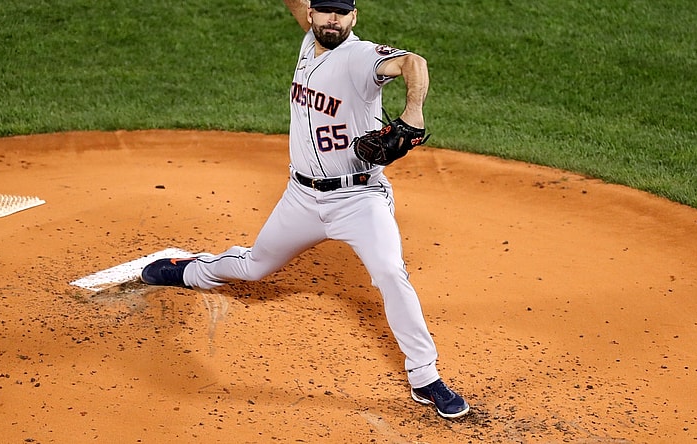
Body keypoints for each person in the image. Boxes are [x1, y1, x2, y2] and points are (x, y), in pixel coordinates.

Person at [141, 0, 469, 419]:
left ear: (354, 18)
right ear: (312, 15)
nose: (333, 20)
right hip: (300, 198)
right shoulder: (308, 42)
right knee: (255, 266)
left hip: (359, 198)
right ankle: (189, 270)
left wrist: (413, 112)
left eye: (342, 13)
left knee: (389, 271)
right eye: (325, 11)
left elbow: (414, 63)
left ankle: (425, 378)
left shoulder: (361, 57)